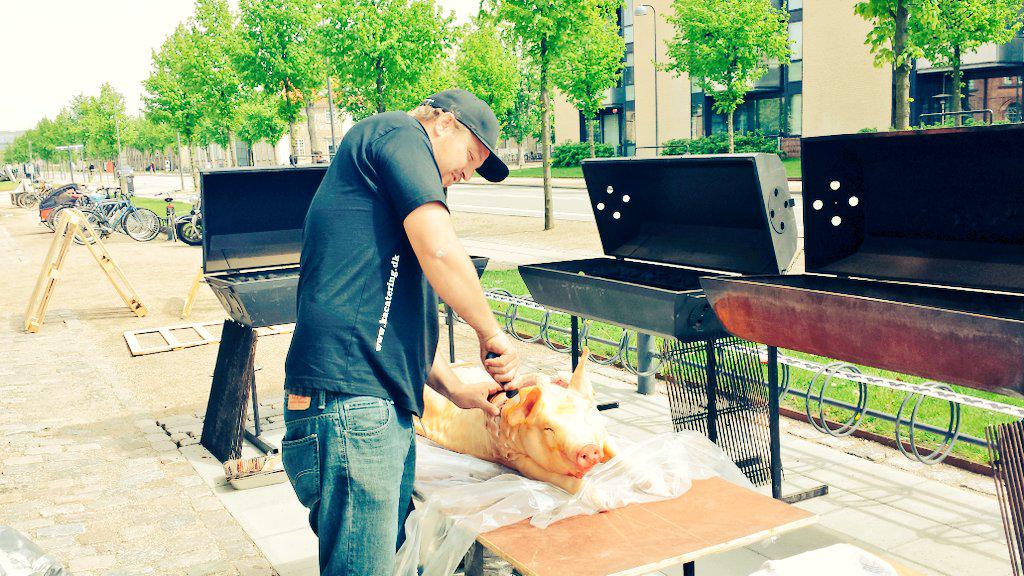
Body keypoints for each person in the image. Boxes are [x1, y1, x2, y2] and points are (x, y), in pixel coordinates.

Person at [282, 88, 520, 575]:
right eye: (472, 156)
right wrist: (491, 332)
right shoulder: (398, 133)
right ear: (443, 123)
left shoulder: (383, 194)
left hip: (369, 403)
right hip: (352, 401)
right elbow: (441, 252)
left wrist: (457, 390)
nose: (468, 173)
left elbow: (386, 319)